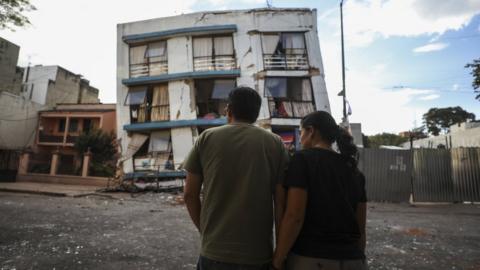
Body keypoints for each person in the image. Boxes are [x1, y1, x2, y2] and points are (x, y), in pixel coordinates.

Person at [183, 86, 289, 269]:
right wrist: (279, 252)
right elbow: (281, 203)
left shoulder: (206, 138)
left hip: (214, 252)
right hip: (258, 255)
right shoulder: (275, 143)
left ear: (229, 110)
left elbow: (189, 195)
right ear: (255, 114)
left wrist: (206, 231)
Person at [272, 111, 367, 270]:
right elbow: (360, 228)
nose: (300, 139)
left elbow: (294, 216)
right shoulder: (354, 170)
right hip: (354, 261)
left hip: (312, 259)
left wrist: (278, 259)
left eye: (301, 132)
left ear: (311, 131)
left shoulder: (303, 160)